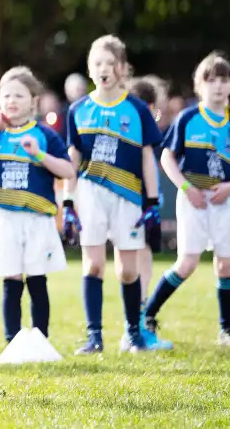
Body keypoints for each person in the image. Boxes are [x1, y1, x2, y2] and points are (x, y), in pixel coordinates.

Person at [144, 52, 230, 347]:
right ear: (199, 85)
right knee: (187, 263)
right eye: (211, 80)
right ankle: (147, 316)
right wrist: (187, 189)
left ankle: (227, 329)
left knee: (225, 265)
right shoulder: (188, 118)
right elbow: (166, 158)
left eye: (224, 80)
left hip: (227, 201)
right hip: (194, 201)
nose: (218, 86)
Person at [62, 35, 162, 354]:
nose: (103, 69)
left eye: (110, 63)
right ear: (90, 70)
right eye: (97, 63)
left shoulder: (136, 109)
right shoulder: (78, 110)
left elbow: (147, 156)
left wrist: (152, 201)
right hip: (90, 193)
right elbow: (73, 157)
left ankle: (133, 334)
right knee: (92, 266)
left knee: (127, 270)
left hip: (129, 196)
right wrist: (67, 201)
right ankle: (95, 337)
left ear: (122, 68)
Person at [0, 67, 74, 344]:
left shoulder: (45, 135)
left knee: (36, 280)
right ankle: (12, 341)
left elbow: (69, 171)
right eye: (6, 96)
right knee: (11, 280)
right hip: (4, 219)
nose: (12, 101)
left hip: (37, 219)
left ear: (34, 100)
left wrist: (39, 155)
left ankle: (41, 339)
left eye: (19, 96)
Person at [126, 76, 173, 350]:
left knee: (140, 263)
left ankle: (137, 326)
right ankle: (135, 329)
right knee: (138, 264)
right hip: (138, 202)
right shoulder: (138, 135)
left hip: (143, 202)